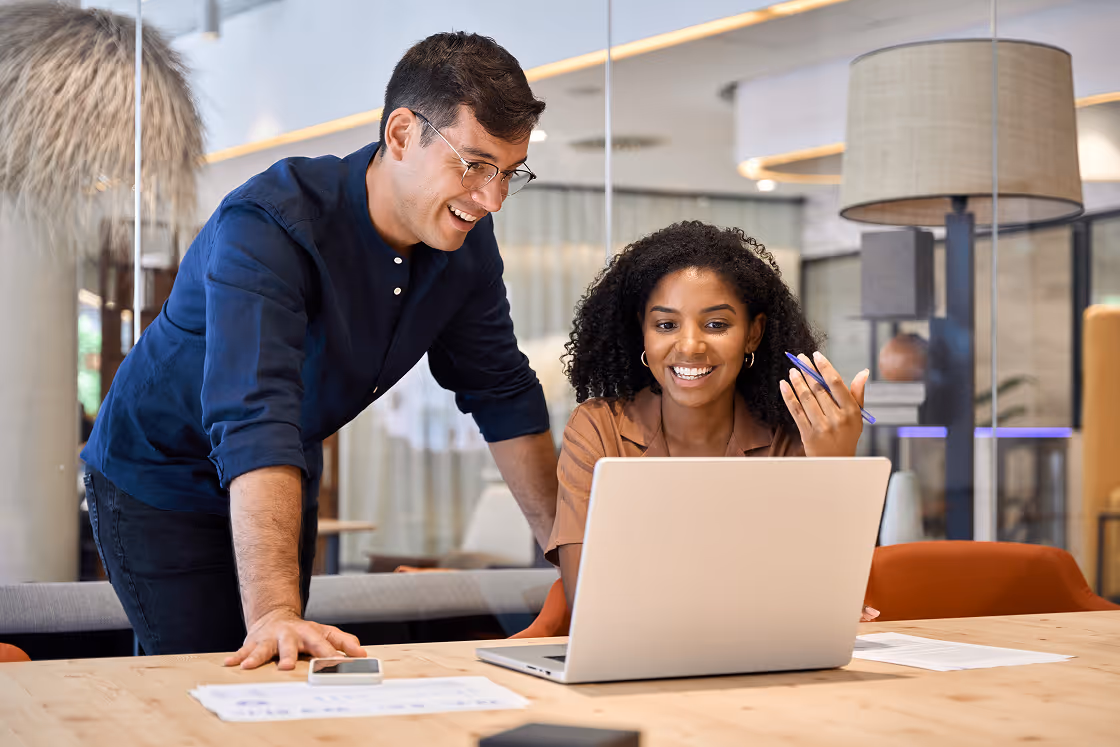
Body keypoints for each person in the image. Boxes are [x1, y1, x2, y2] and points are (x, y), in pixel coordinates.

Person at [81, 32, 560, 668]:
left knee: (280, 667)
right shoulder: (270, 224)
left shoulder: (465, 244)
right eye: (474, 165)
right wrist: (274, 613)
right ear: (401, 135)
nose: (491, 198)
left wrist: (572, 562)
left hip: (284, 462)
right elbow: (256, 414)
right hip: (161, 471)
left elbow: (501, 391)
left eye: (508, 172)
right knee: (213, 668)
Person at [519, 221, 877, 638]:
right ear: (642, 332)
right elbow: (590, 603)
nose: (689, 346)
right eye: (666, 325)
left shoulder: (791, 434)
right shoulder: (599, 428)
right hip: (637, 658)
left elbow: (829, 600)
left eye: (716, 325)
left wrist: (834, 466)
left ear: (753, 334)